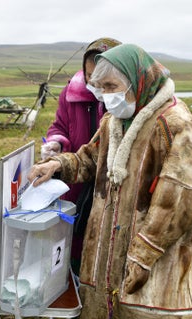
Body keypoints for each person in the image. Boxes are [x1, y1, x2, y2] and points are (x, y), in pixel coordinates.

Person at [27, 44, 192, 319]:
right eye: (100, 88)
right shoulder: (115, 123)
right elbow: (89, 158)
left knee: (161, 307)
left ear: (138, 81)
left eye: (112, 86)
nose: (105, 96)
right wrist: (59, 165)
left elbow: (186, 197)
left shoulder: (176, 125)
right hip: (119, 232)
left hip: (168, 246)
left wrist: (146, 247)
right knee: (125, 300)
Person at [42, 37, 121, 276]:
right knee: (75, 231)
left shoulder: (122, 97)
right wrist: (56, 142)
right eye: (89, 75)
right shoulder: (71, 93)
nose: (94, 82)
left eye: (103, 76)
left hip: (111, 180)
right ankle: (72, 276)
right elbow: (59, 126)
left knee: (106, 235)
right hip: (75, 177)